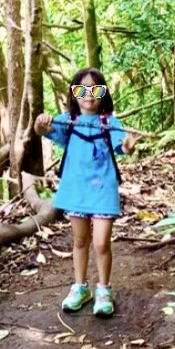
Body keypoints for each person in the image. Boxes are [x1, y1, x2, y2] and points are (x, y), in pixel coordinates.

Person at [33, 67, 136, 317]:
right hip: (75, 189)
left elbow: (122, 146)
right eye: (81, 89)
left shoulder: (109, 122)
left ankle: (104, 289)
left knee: (101, 242)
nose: (88, 95)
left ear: (103, 94)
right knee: (79, 240)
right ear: (73, 93)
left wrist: (128, 145)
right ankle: (80, 287)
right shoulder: (68, 120)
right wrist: (40, 123)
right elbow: (43, 131)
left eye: (95, 89)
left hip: (103, 189)